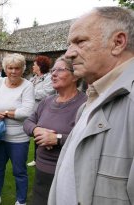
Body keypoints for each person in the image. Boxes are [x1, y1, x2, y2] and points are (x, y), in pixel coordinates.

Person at [48, 7, 134, 205]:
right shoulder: (92, 99)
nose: (68, 54)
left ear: (118, 43)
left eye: (80, 42)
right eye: (69, 44)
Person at [23, 56, 87, 205]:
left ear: (75, 76)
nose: (53, 74)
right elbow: (28, 122)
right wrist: (37, 130)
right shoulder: (47, 101)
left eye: (60, 70)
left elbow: (87, 138)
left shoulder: (85, 104)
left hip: (68, 173)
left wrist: (57, 138)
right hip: (41, 171)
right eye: (53, 70)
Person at [0, 53, 35, 205]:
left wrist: (4, 113)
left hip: (18, 138)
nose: (13, 71)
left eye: (17, 68)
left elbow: (27, 112)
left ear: (22, 69)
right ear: (5, 68)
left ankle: (21, 201)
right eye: (10, 68)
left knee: (19, 171)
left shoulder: (27, 86)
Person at [27, 55, 55, 167]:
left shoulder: (49, 78)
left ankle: (43, 158)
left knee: (43, 134)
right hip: (33, 111)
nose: (33, 66)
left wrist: (29, 94)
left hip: (45, 110)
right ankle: (36, 158)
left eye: (35, 64)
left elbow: (47, 93)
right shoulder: (33, 78)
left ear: (40, 66)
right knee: (36, 133)